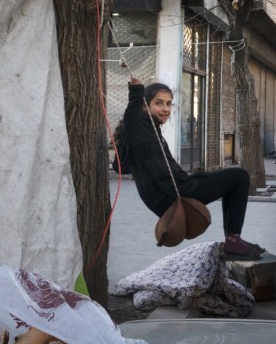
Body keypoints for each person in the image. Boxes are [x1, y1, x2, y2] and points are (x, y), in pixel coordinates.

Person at [113, 78, 265, 260]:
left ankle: (233, 240)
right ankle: (233, 241)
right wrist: (136, 94)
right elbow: (132, 130)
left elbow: (120, 166)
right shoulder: (141, 129)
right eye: (158, 103)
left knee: (228, 181)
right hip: (176, 193)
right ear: (145, 106)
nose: (165, 109)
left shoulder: (148, 133)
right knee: (239, 177)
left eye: (169, 104)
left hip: (171, 192)